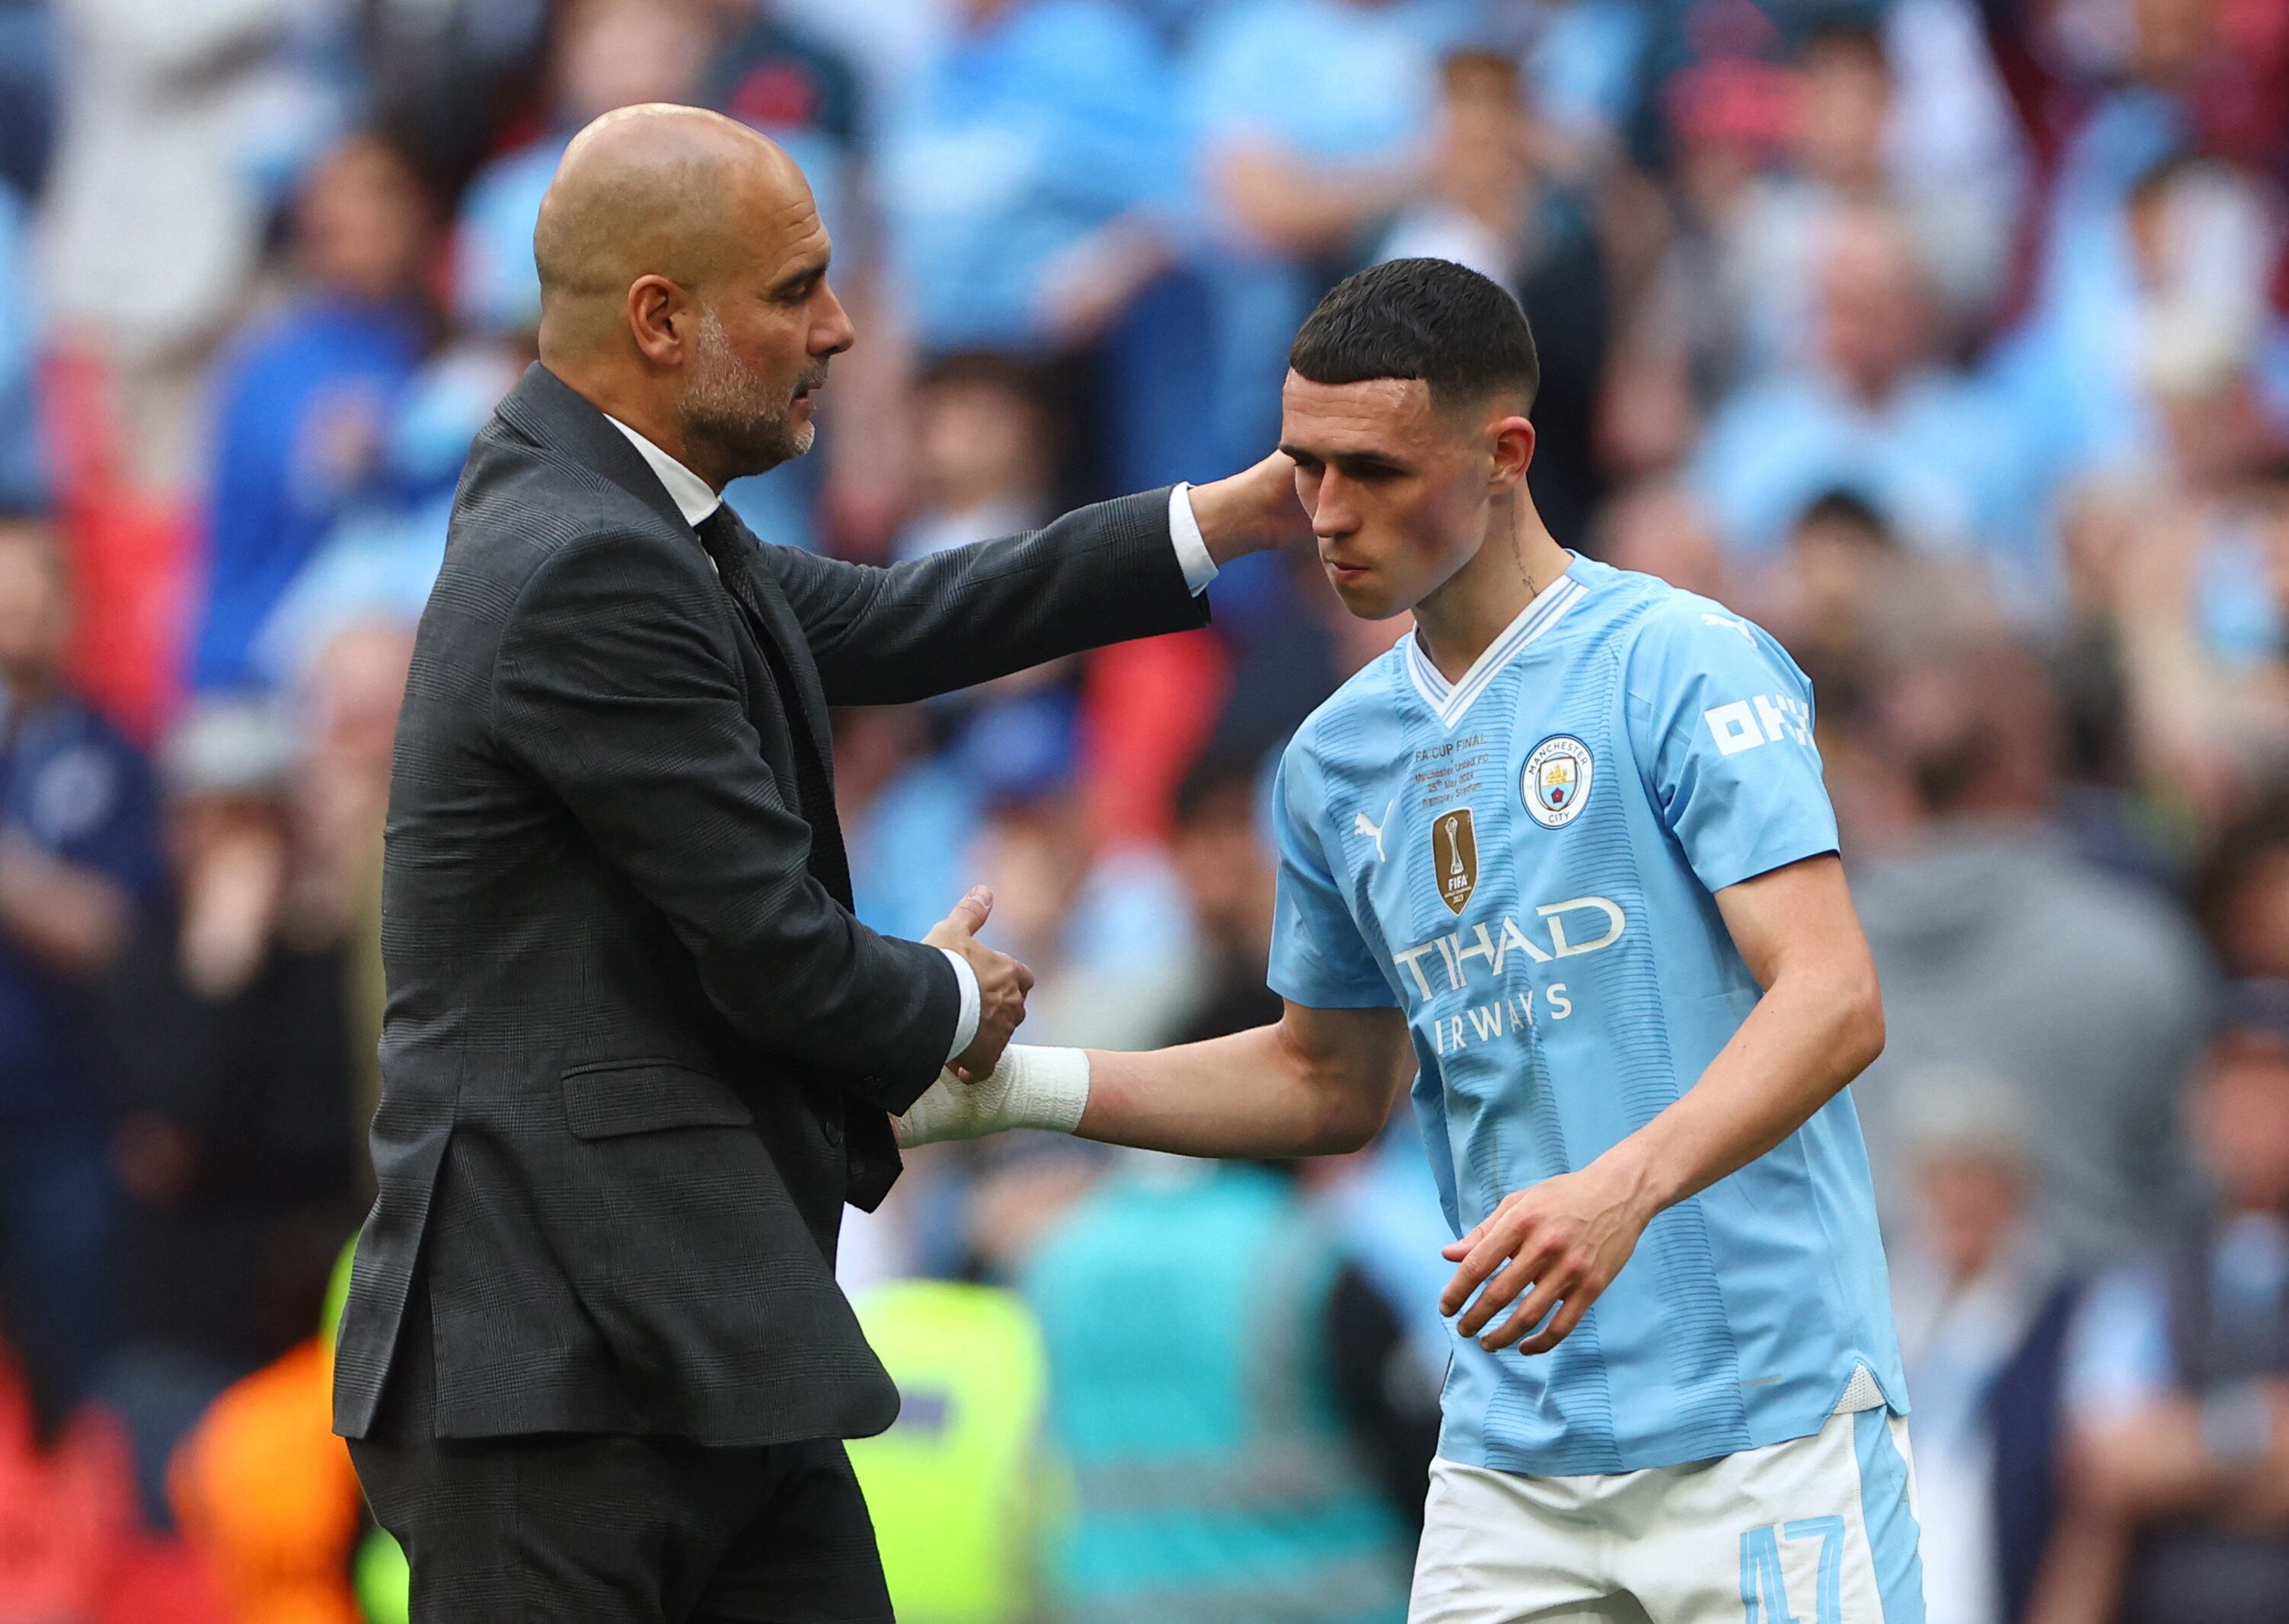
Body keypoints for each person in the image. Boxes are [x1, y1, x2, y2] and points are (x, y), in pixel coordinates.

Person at [330, 104, 1308, 1622]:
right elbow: (773, 947)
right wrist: (944, 995)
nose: (841, 330)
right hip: (554, 1373)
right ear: (659, 319)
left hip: (698, 1333)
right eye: (795, 289)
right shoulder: (586, 561)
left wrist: (1224, 518)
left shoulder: (634, 524)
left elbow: (908, 619)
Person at [897, 258, 1921, 1622]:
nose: (1326, 514)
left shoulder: (1681, 662)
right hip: (1513, 1454)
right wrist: (1025, 1091)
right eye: (1304, 467)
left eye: (1371, 470)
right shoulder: (1334, 760)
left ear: (1505, 457)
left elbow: (1836, 995)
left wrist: (1621, 1187)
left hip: (1766, 1423)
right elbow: (1330, 1080)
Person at [2032, 981, 2289, 1624]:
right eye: (2234, 1085)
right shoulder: (2144, 1278)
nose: (2255, 1110)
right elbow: (2106, 1464)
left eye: (2275, 1086)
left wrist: (2182, 1452)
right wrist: (2253, 1428)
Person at [0, 512, 164, 1441]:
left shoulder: (114, 763)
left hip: (65, 1131)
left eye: (36, 592)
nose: (17, 615)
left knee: (83, 1390)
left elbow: (112, 932)